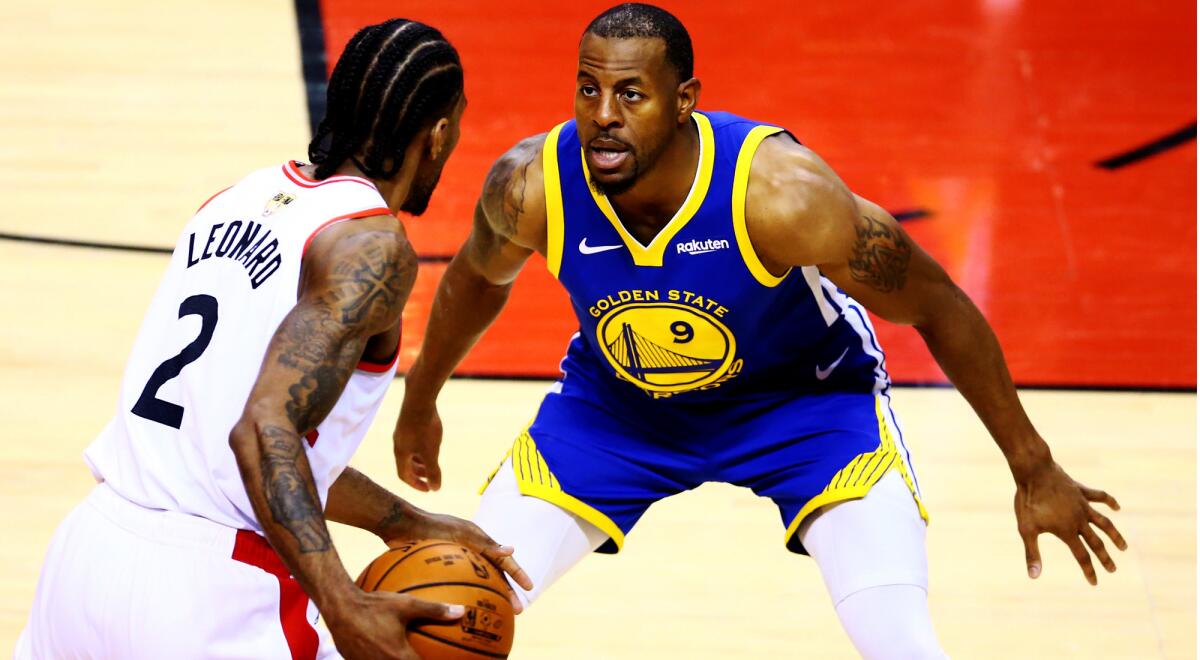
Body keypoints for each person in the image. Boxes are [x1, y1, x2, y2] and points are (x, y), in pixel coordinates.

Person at [393, 3, 1127, 658]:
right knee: (445, 614)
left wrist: (1032, 466)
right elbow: (473, 279)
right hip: (618, 411)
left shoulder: (782, 196)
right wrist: (419, 400)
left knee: (898, 640)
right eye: (589, 89)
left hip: (804, 409)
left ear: (684, 102)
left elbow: (938, 304)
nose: (603, 114)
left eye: (631, 94)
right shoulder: (532, 183)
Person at [17, 18, 530, 660]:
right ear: (440, 136)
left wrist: (404, 524)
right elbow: (262, 434)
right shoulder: (372, 246)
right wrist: (342, 604)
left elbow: (234, 443)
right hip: (210, 595)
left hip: (89, 556)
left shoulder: (236, 197)